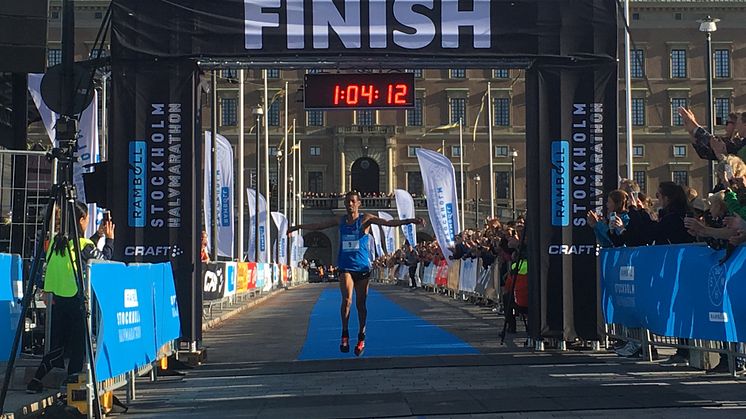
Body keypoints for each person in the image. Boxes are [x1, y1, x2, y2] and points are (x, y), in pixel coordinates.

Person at [287, 191, 425, 356]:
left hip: (362, 268)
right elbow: (319, 225)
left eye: (352, 201)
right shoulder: (340, 220)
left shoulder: (365, 219)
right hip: (345, 266)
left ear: (359, 203)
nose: (349, 204)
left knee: (361, 305)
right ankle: (344, 333)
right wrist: (298, 227)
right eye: (347, 201)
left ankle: (361, 336)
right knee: (346, 300)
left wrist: (410, 221)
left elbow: (389, 223)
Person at [27, 202, 115, 393]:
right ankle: (71, 380)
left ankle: (36, 379)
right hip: (77, 301)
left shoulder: (56, 244)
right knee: (78, 345)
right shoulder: (85, 246)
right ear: (82, 221)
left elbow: (80, 252)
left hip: (58, 300)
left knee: (58, 345)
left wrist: (98, 235)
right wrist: (109, 239)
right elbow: (104, 261)